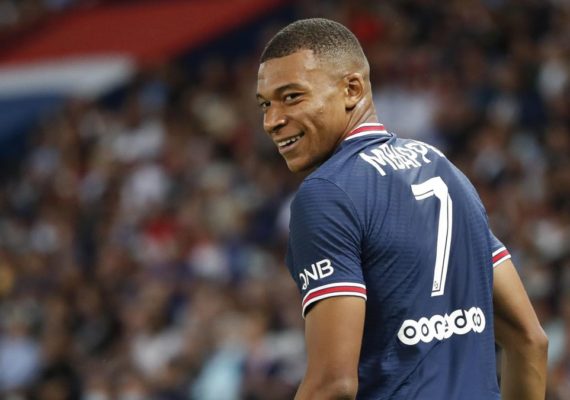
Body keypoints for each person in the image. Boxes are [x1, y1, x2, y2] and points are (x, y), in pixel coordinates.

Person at [256, 18, 548, 400]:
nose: (272, 121)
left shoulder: (327, 193)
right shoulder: (445, 170)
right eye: (265, 104)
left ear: (352, 89)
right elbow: (530, 340)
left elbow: (333, 384)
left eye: (292, 97)